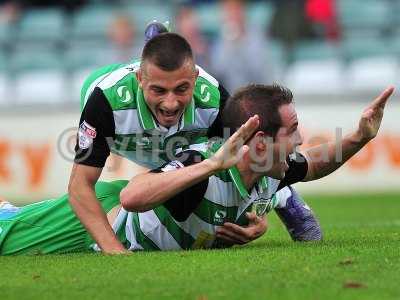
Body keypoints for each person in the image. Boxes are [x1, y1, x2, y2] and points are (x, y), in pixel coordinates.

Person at [1, 84, 393, 254]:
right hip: (97, 220)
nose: (301, 138)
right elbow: (131, 196)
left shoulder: (266, 169)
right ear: (259, 141)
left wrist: (361, 137)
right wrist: (209, 166)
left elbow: (312, 165)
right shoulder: (202, 162)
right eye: (292, 131)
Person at [69, 29, 321, 254]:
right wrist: (114, 250)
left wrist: (257, 218)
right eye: (158, 89)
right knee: (189, 165)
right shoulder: (104, 102)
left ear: (195, 79)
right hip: (128, 135)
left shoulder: (213, 100)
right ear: (140, 80)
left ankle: (289, 200)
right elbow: (80, 185)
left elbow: (256, 156)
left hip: (182, 143)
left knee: (245, 153)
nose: (170, 103)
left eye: (181, 89)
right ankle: (156, 43)